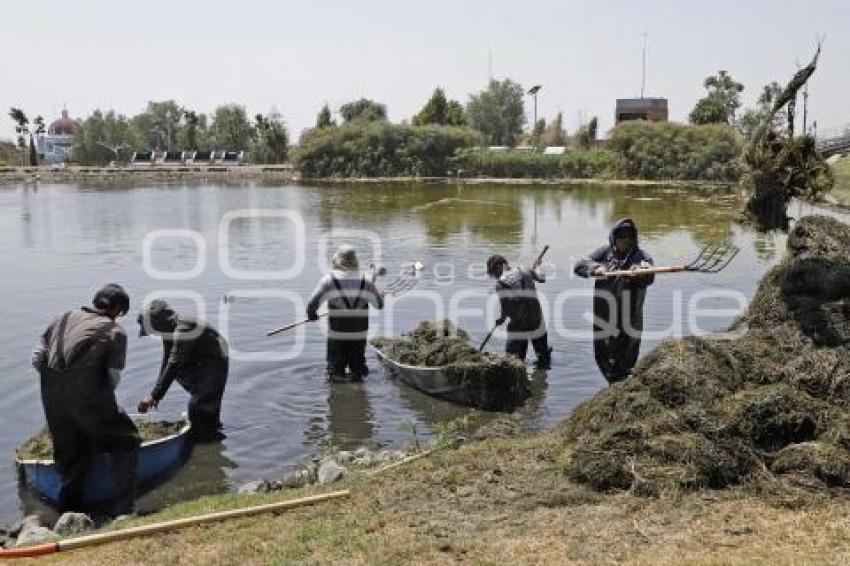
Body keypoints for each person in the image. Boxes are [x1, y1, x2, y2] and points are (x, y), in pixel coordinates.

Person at [32, 284, 139, 516]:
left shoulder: (61, 317)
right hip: (89, 400)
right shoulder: (115, 332)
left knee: (71, 453)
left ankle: (68, 514)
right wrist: (98, 409)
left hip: (52, 400)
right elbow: (112, 379)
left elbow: (37, 359)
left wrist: (60, 390)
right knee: (127, 440)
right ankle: (124, 511)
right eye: (121, 312)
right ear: (117, 309)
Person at [574, 218, 654, 383]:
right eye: (621, 236)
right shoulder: (604, 253)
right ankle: (613, 385)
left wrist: (641, 272)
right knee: (602, 356)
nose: (625, 240)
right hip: (603, 316)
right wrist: (596, 268)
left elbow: (649, 276)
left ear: (634, 238)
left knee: (624, 363)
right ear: (613, 237)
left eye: (629, 236)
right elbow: (579, 265)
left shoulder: (641, 257)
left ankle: (621, 387)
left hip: (629, 319)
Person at [137, 300, 229, 441]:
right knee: (204, 408)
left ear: (158, 323)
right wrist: (156, 396)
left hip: (214, 362)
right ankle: (211, 429)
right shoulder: (168, 332)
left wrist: (154, 395)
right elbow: (167, 361)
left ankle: (207, 445)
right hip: (199, 363)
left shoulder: (184, 329)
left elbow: (174, 363)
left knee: (198, 406)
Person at [307, 244, 384, 380]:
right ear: (355, 261)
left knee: (335, 370)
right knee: (357, 369)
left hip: (337, 332)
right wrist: (379, 295)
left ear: (337, 260)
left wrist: (312, 315)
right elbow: (379, 305)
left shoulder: (328, 279)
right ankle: (358, 392)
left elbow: (312, 303)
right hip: (359, 333)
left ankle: (337, 394)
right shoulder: (366, 281)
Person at [487, 253, 552, 369]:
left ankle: (518, 384)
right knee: (543, 357)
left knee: (513, 360)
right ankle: (542, 380)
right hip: (536, 318)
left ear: (499, 267)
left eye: (493, 273)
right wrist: (537, 266)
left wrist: (501, 319)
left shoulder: (500, 284)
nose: (495, 277)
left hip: (519, 324)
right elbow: (542, 278)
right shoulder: (525, 269)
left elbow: (506, 308)